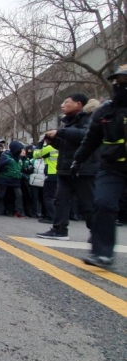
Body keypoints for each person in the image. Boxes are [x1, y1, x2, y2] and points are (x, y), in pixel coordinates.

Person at [72, 65, 127, 268]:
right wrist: (77, 160)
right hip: (111, 167)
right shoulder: (106, 111)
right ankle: (102, 254)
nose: (123, 86)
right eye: (120, 82)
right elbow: (91, 140)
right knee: (103, 203)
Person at [37, 94, 99, 241]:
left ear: (78, 104)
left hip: (84, 167)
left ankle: (98, 233)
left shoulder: (89, 118)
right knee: (60, 200)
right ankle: (59, 230)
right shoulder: (69, 122)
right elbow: (66, 145)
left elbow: (85, 135)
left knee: (88, 203)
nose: (63, 105)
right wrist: (53, 141)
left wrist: (60, 132)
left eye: (66, 102)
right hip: (66, 168)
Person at [0, 141, 28, 218]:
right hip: (4, 179)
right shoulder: (5, 156)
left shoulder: (19, 158)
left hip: (15, 179)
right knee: (1, 195)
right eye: (20, 149)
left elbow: (19, 168)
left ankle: (18, 212)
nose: (21, 151)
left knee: (19, 195)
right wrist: (6, 162)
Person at [33, 139, 58, 223]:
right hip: (60, 174)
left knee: (48, 197)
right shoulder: (61, 148)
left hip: (51, 174)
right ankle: (56, 217)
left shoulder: (50, 147)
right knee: (56, 197)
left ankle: (51, 217)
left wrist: (39, 144)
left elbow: (36, 155)